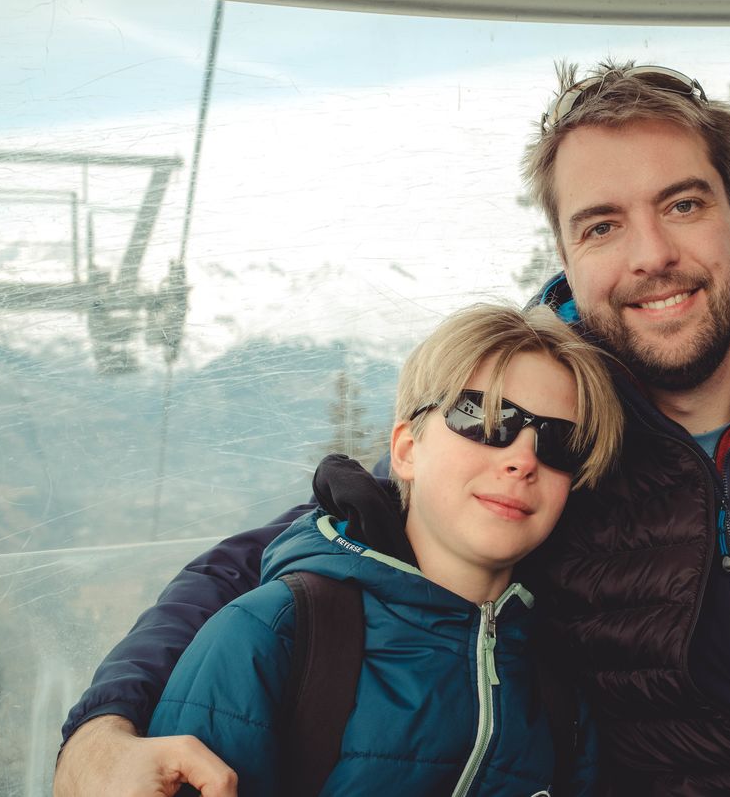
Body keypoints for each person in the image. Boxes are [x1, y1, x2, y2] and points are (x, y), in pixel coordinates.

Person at [55, 61, 730, 797]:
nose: (648, 255)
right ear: (566, 258)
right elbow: (288, 553)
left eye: (683, 204)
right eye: (602, 225)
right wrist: (102, 729)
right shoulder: (549, 438)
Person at [144, 303, 621, 796]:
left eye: (559, 441)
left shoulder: (557, 685)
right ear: (406, 450)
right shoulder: (272, 636)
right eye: (485, 418)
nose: (523, 459)